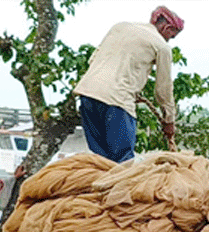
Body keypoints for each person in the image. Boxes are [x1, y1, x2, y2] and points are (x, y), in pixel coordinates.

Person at [73, 5, 184, 163]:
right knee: (123, 161)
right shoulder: (162, 46)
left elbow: (93, 59)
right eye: (171, 36)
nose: (169, 40)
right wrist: (169, 121)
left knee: (100, 161)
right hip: (117, 101)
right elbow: (163, 90)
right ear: (167, 27)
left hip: (87, 95)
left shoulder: (120, 27)